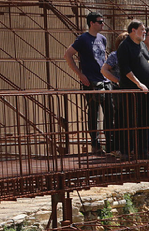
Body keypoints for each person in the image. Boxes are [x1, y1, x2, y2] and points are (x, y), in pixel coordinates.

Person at [117, 20, 149, 158]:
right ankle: (126, 151)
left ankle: (142, 151)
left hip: (146, 91)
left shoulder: (142, 46)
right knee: (130, 121)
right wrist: (138, 84)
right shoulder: (124, 46)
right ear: (133, 30)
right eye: (142, 29)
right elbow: (125, 69)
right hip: (132, 91)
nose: (144, 32)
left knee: (145, 121)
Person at [64, 11, 108, 154]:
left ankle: (110, 142)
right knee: (93, 113)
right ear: (92, 23)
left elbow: (104, 56)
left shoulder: (102, 38)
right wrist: (80, 74)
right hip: (91, 81)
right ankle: (95, 144)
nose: (102, 24)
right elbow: (68, 54)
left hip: (104, 80)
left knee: (109, 112)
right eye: (100, 21)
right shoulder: (83, 39)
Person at [100, 33, 128, 155]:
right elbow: (104, 70)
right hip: (118, 91)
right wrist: (117, 81)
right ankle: (116, 147)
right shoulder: (115, 55)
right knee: (118, 118)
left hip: (130, 90)